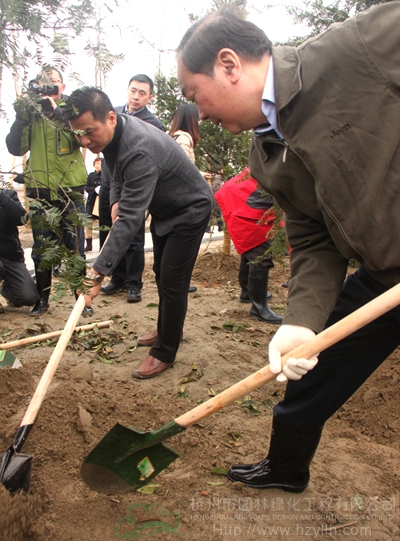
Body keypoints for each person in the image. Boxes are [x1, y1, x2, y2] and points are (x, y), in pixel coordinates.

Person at [177, 3, 400, 492]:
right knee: (312, 372)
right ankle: (286, 467)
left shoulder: (358, 49)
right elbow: (315, 237)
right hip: (388, 278)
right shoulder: (266, 154)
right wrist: (300, 321)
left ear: (229, 65)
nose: (201, 112)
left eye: (196, 93)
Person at [64, 87, 213, 379]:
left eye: (89, 132)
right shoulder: (111, 135)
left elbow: (131, 219)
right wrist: (118, 197)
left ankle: (164, 351)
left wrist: (97, 274)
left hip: (190, 209)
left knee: (172, 278)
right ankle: (166, 327)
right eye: (77, 134)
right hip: (166, 207)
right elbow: (116, 170)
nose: (84, 140)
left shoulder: (139, 147)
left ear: (110, 117)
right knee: (161, 271)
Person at [6, 65, 89, 316]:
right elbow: (14, 148)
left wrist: (59, 114)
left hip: (70, 189)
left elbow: (83, 138)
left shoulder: (72, 110)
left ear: (62, 87)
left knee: (76, 247)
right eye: (44, 83)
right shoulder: (31, 114)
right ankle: (42, 300)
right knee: (42, 249)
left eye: (54, 83)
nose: (49, 87)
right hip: (40, 189)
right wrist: (22, 117)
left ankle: (80, 300)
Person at [100, 74, 165, 303]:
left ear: (149, 97)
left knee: (133, 233)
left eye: (142, 93)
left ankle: (133, 283)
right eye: (133, 91)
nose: (136, 96)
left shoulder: (153, 124)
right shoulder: (112, 116)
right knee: (109, 228)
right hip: (109, 180)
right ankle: (116, 277)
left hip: (134, 184)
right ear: (127, 90)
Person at [215, 168, 283, 324]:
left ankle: (247, 292)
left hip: (243, 194)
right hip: (244, 198)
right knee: (259, 247)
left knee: (250, 247)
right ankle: (259, 308)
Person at [168, 102, 210, 293]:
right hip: (184, 204)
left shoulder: (172, 136)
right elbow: (181, 169)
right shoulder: (184, 138)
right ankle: (181, 283)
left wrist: (200, 174)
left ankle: (178, 282)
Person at [0, 189, 40, 313]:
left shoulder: (8, 195)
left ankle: (8, 288)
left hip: (10, 255)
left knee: (29, 297)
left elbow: (21, 219)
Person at [84, 157, 102, 253]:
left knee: (102, 224)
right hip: (92, 201)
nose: (97, 165)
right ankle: (89, 244)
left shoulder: (106, 176)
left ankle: (102, 245)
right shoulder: (91, 175)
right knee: (88, 223)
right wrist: (94, 189)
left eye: (99, 163)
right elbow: (86, 187)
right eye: (95, 163)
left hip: (101, 202)